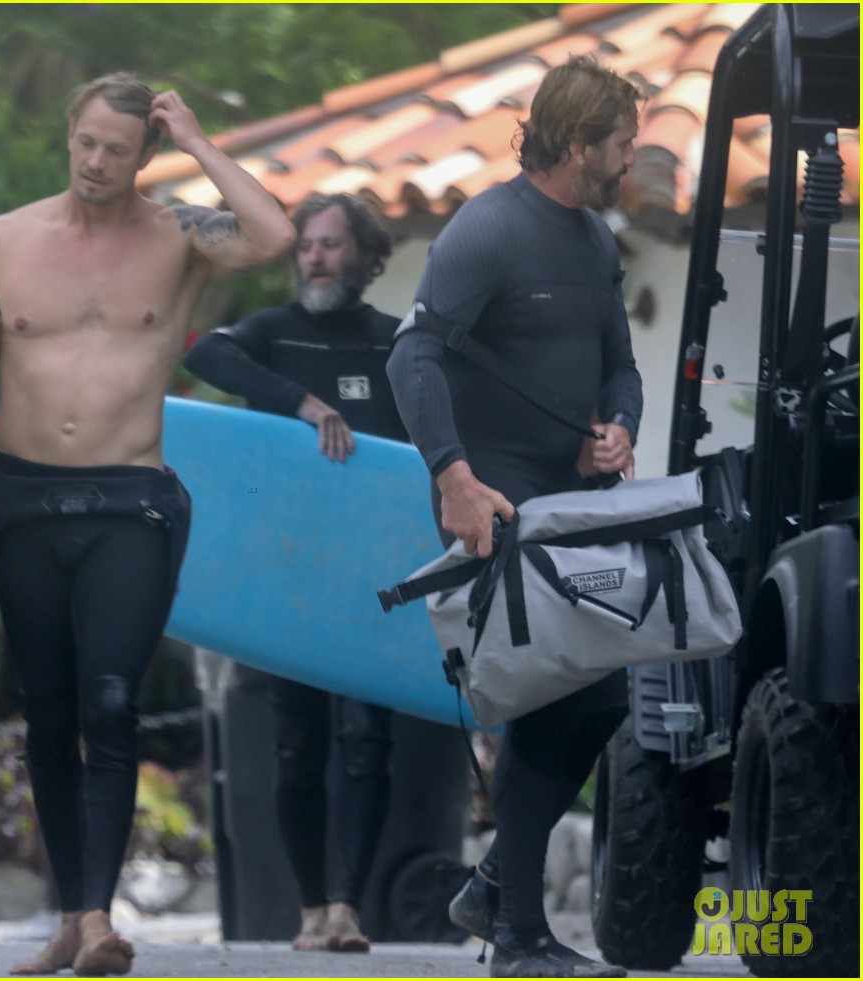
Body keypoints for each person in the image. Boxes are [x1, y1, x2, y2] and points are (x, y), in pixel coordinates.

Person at [0, 72, 295, 977]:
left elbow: (274, 236)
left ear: (146, 155)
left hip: (128, 500)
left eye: (118, 150)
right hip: (21, 503)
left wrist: (198, 139)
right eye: (87, 143)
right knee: (49, 714)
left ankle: (96, 919)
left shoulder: (178, 237)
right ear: (69, 135)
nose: (97, 162)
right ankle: (72, 918)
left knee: (110, 701)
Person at [386, 55, 643, 978]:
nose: (632, 158)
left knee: (600, 693)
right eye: (622, 142)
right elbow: (411, 358)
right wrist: (452, 478)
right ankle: (519, 935)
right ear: (576, 142)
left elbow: (621, 365)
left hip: (569, 497)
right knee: (550, 691)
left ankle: (496, 887)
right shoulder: (488, 228)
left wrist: (619, 427)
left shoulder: (594, 239)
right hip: (493, 493)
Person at [184, 192, 406, 953]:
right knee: (296, 743)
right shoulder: (271, 333)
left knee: (369, 740)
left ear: (366, 256)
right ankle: (311, 907)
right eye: (306, 245)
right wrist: (301, 402)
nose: (314, 258)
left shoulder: (392, 342)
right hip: (288, 565)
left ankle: (348, 907)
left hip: (373, 568)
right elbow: (202, 355)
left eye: (331, 245)